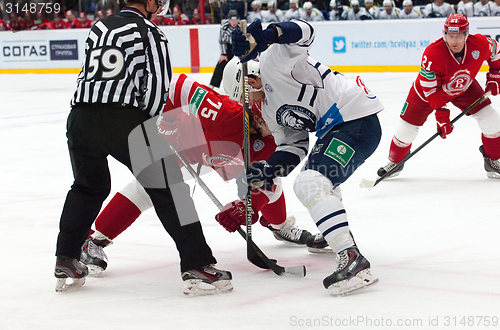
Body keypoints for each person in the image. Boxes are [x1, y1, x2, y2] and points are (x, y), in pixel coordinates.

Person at [54, 0, 233, 296]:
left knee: (88, 186)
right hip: (124, 121)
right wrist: (155, 126)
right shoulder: (151, 31)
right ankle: (198, 263)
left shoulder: (99, 25)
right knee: (170, 189)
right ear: (148, 2)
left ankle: (67, 257)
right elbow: (157, 86)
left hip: (80, 118)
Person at [80, 73, 313, 273]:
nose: (271, 124)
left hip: (225, 157)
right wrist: (164, 114)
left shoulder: (271, 138)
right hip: (184, 147)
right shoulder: (223, 112)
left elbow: (267, 180)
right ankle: (94, 238)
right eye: (263, 114)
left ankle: (280, 226)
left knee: (269, 182)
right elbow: (176, 84)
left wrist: (247, 207)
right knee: (146, 188)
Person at [230, 19, 383, 296]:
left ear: (250, 79)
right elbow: (295, 146)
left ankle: (353, 259)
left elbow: (306, 30)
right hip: (339, 125)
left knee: (310, 182)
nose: (248, 104)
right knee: (321, 179)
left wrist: (268, 35)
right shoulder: (267, 109)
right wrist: (267, 168)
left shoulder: (272, 61)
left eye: (244, 95)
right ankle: (334, 234)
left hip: (353, 115)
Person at [377, 14, 500, 180]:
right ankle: (395, 162)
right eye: (450, 35)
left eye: (458, 36)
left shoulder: (480, 44)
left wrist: (495, 76)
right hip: (425, 94)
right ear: (445, 33)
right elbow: (430, 90)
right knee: (406, 130)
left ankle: (493, 160)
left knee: (492, 120)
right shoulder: (432, 53)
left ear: (466, 34)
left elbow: (496, 52)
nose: (454, 41)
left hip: (464, 87)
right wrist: (441, 113)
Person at [208, 10, 240, 89]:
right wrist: (223, 54)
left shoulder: (241, 26)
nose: (234, 22)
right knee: (222, 62)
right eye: (232, 20)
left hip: (239, 45)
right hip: (228, 47)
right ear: (229, 20)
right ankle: (213, 84)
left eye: (235, 20)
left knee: (244, 63)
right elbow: (222, 41)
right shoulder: (224, 26)